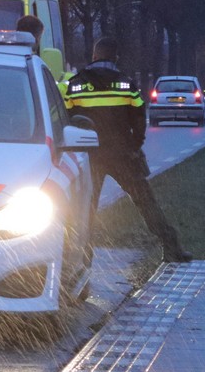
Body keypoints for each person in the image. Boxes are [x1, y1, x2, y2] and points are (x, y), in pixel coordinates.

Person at [64, 38, 193, 263]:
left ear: (94, 56)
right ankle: (171, 247)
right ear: (115, 58)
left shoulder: (75, 85)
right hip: (123, 155)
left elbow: (66, 119)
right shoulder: (126, 83)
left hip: (89, 155)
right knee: (145, 201)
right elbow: (139, 117)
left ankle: (82, 257)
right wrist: (134, 145)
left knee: (85, 209)